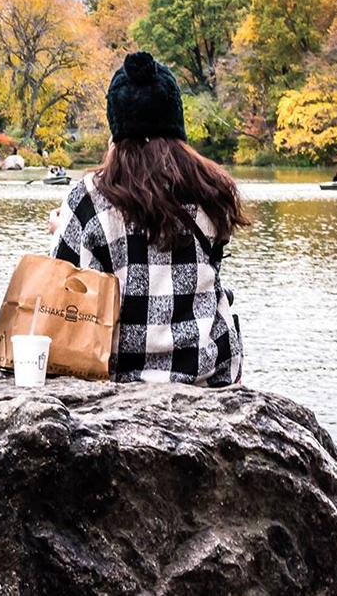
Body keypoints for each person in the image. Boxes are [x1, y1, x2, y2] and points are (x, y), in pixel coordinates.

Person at [50, 51, 246, 386]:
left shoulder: (88, 198)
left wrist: (61, 231)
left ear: (117, 128)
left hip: (115, 380)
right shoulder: (212, 190)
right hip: (204, 376)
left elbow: (64, 294)